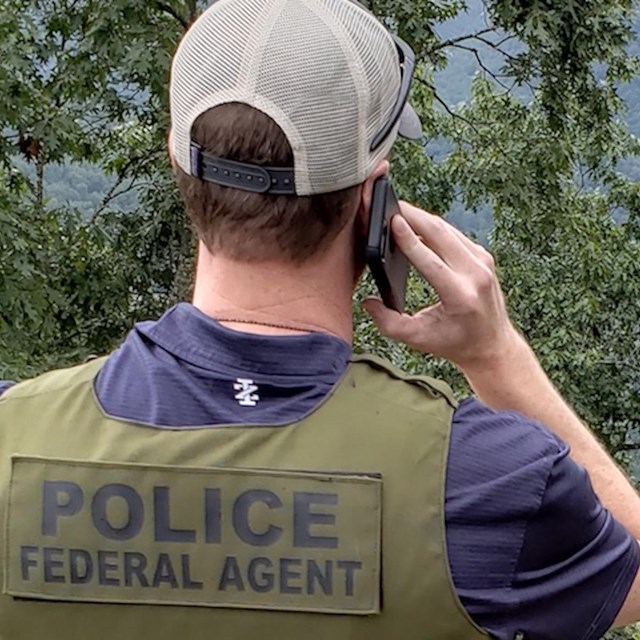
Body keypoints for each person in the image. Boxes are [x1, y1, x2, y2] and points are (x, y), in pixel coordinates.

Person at [1, 0, 639, 638]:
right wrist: (496, 355)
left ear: (179, 164)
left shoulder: (12, 435)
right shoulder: (490, 482)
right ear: (373, 201)